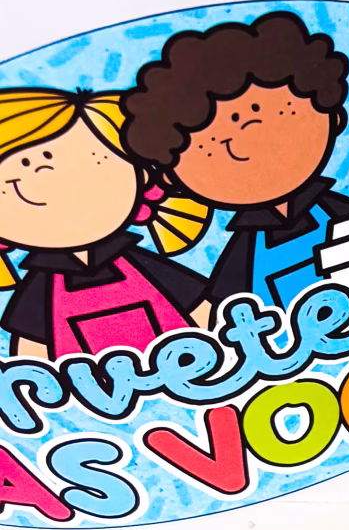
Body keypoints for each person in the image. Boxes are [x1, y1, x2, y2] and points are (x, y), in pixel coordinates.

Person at [119, 13, 349, 315]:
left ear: (333, 116)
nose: (245, 139)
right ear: (172, 178)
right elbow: (226, 308)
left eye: (278, 120)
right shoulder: (247, 249)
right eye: (215, 142)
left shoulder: (335, 211)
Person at [0, 91, 212, 360]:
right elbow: (32, 349)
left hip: (189, 370)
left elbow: (199, 308)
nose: (41, 173)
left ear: (141, 175)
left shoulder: (141, 265)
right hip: (89, 385)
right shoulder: (42, 287)